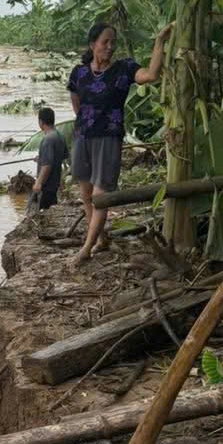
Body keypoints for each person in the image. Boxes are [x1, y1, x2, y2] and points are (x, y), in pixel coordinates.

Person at [68, 22, 171, 265]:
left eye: (113, 42)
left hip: (108, 137)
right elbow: (76, 101)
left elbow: (151, 75)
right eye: (105, 42)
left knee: (101, 194)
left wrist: (159, 42)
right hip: (82, 137)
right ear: (93, 45)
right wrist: (86, 123)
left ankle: (86, 248)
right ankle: (101, 238)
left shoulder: (124, 69)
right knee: (86, 196)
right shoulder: (79, 73)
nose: (110, 46)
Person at [27, 107, 67, 214]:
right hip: (55, 183)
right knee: (50, 213)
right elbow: (61, 157)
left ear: (41, 122)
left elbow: (47, 166)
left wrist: (38, 183)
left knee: (40, 213)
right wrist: (41, 158)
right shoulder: (60, 136)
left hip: (46, 186)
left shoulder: (47, 140)